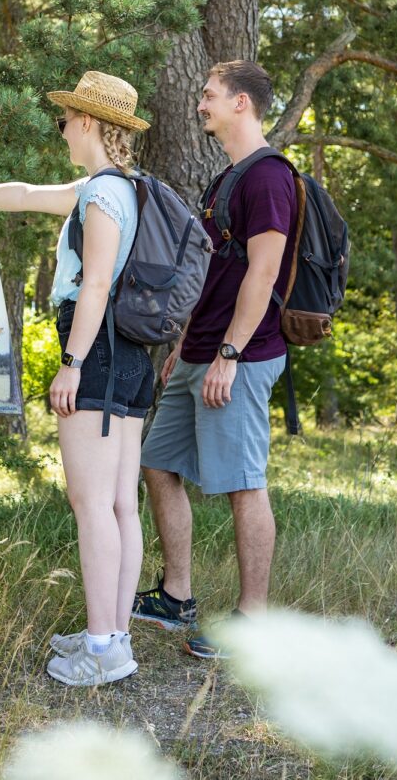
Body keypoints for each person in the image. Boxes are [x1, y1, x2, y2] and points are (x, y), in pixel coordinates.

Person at [0, 70, 153, 687]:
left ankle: (105, 648)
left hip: (95, 348)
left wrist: (70, 364)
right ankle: (114, 631)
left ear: (91, 124)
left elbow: (96, 284)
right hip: (128, 355)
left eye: (67, 118)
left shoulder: (101, 196)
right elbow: (23, 193)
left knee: (91, 502)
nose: (63, 128)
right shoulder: (114, 187)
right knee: (119, 503)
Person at [132, 59, 298, 660]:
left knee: (242, 484)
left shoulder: (269, 177)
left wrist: (229, 351)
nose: (200, 104)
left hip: (242, 356)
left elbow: (263, 271)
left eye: (209, 95)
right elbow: (212, 272)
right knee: (157, 462)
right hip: (199, 350)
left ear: (241, 104)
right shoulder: (225, 179)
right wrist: (184, 345)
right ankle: (176, 597)